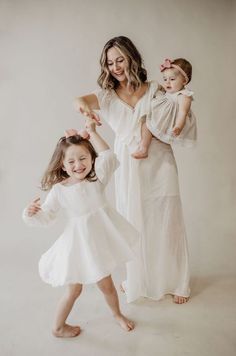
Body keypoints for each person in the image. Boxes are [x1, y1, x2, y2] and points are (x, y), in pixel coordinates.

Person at [75, 36, 190, 304]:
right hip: (129, 163)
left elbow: (173, 111)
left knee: (167, 221)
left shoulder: (154, 89)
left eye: (120, 60)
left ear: (131, 59)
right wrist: (85, 111)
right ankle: (138, 280)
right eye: (109, 62)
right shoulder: (105, 95)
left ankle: (177, 282)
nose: (115, 66)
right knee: (135, 222)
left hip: (160, 159)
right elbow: (78, 99)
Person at [22, 119, 138, 337]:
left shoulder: (97, 179)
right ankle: (58, 327)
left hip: (100, 242)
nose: (78, 165)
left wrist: (92, 132)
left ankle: (117, 315)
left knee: (107, 287)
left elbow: (109, 156)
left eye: (83, 158)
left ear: (92, 159)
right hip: (79, 245)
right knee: (74, 290)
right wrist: (31, 213)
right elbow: (47, 217)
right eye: (71, 161)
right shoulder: (59, 190)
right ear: (63, 165)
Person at [132, 58, 197, 159]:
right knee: (145, 122)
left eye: (172, 79)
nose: (167, 83)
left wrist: (178, 127)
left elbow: (183, 112)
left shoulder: (184, 95)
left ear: (184, 80)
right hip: (162, 118)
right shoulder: (165, 93)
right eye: (165, 79)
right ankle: (143, 146)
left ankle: (143, 149)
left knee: (148, 125)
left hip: (170, 123)